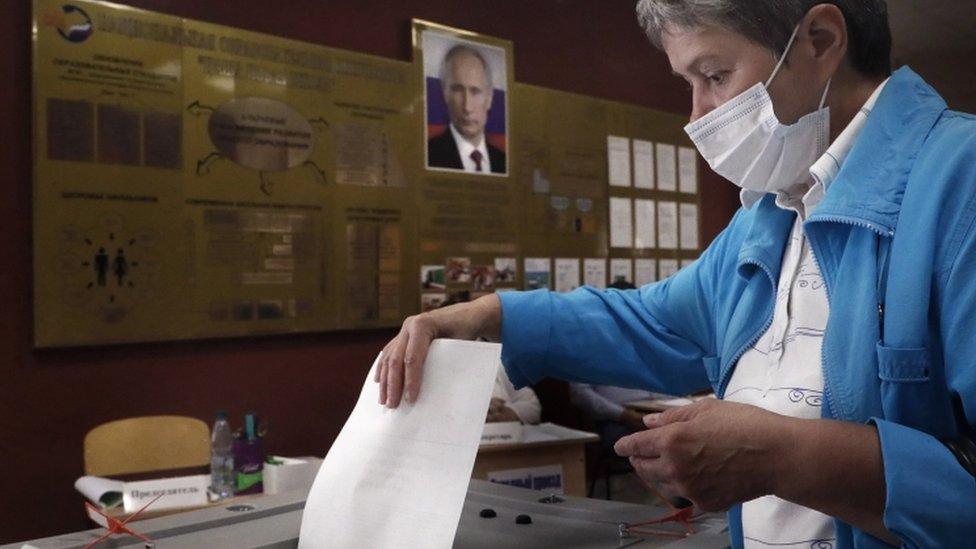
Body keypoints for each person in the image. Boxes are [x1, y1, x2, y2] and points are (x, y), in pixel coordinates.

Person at [377, 2, 976, 547]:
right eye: (688, 83)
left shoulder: (961, 182)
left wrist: (787, 458)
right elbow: (655, 323)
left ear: (819, 40)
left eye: (715, 76)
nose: (696, 115)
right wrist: (492, 315)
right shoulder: (773, 212)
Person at [427, 44, 507, 174]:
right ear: (445, 94)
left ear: (489, 98)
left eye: (475, 91)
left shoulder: (503, 162)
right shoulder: (428, 154)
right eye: (458, 90)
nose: (467, 107)